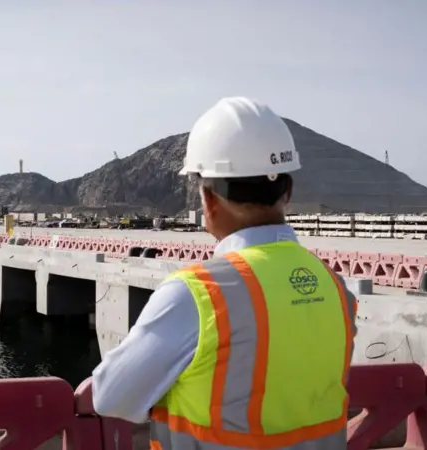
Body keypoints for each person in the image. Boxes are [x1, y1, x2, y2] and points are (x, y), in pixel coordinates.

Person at [91, 97, 358, 449]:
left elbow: (110, 396)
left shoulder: (198, 295)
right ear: (288, 191)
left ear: (209, 200)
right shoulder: (336, 288)